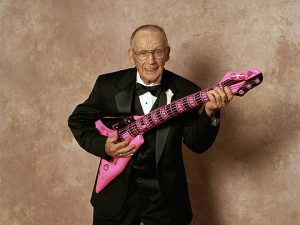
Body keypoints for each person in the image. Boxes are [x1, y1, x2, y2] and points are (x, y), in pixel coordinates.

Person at [68, 24, 233, 225]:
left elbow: (197, 144)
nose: (151, 60)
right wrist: (103, 146)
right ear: (131, 55)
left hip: (165, 199)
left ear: (168, 53)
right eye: (143, 53)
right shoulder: (107, 85)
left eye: (157, 52)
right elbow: (78, 121)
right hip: (116, 194)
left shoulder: (187, 91)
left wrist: (210, 113)